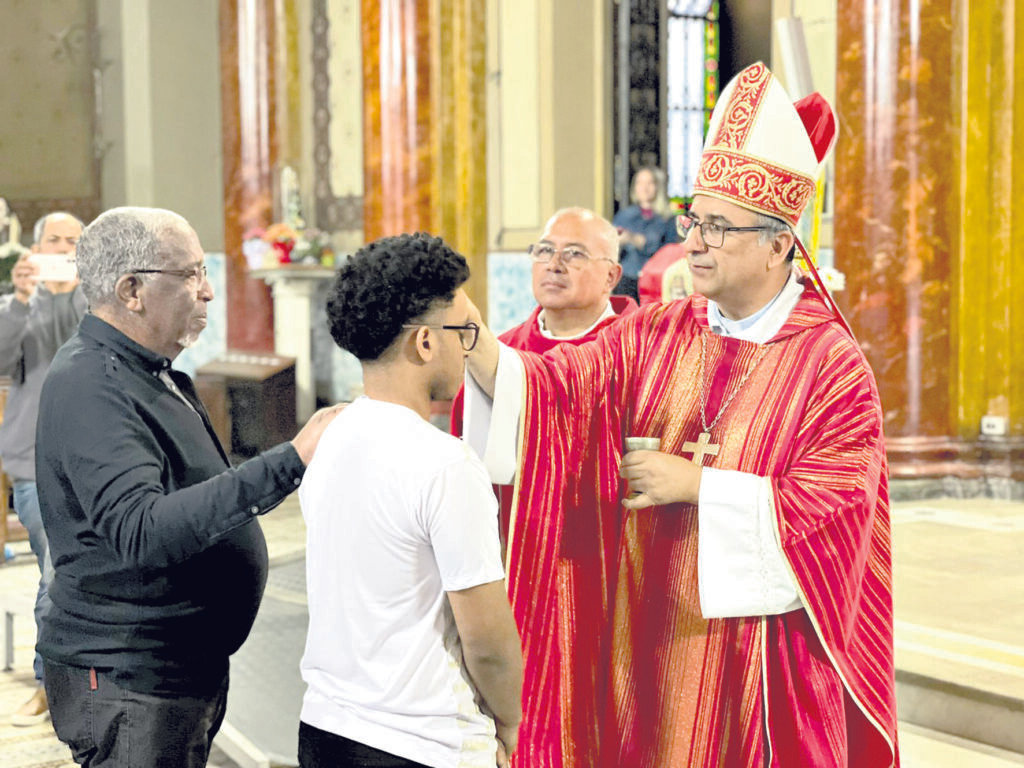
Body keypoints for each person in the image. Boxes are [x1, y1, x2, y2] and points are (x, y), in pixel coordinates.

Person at [462, 63, 897, 767]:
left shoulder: (831, 366)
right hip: (649, 645)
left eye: (718, 227)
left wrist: (697, 484)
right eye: (693, 218)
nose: (691, 240)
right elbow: (556, 390)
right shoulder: (659, 330)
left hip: (760, 668)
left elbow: (834, 512)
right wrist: (465, 333)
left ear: (780, 243)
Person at [34, 206, 343, 767]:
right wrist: (290, 460)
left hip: (171, 669)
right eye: (192, 274)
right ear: (132, 289)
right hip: (130, 675)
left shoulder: (146, 370)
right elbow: (142, 530)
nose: (208, 293)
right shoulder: (91, 383)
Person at [299, 232, 522, 768]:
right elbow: (486, 638)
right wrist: (510, 720)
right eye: (464, 330)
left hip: (326, 726)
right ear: (425, 342)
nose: (468, 346)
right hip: (422, 741)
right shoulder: (444, 463)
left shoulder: (326, 437)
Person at [450, 206, 635, 766]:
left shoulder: (642, 349)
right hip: (515, 567)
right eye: (544, 251)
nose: (554, 264)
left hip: (608, 566)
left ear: (610, 275)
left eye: (574, 254)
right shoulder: (500, 355)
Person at [0, 211, 84, 726]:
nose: (62, 248)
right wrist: (27, 299)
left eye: (73, 241)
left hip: (90, 457)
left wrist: (70, 291)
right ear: (35, 248)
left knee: (80, 572)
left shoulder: (94, 299)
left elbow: (84, 346)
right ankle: (49, 685)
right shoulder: (16, 305)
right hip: (34, 459)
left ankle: (82, 679)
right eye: (54, 240)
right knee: (54, 571)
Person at [613, 166, 678, 300]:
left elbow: (669, 252)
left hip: (655, 280)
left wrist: (635, 239)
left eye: (650, 183)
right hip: (627, 280)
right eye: (640, 183)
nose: (644, 187)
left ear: (657, 187)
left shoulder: (667, 219)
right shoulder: (624, 216)